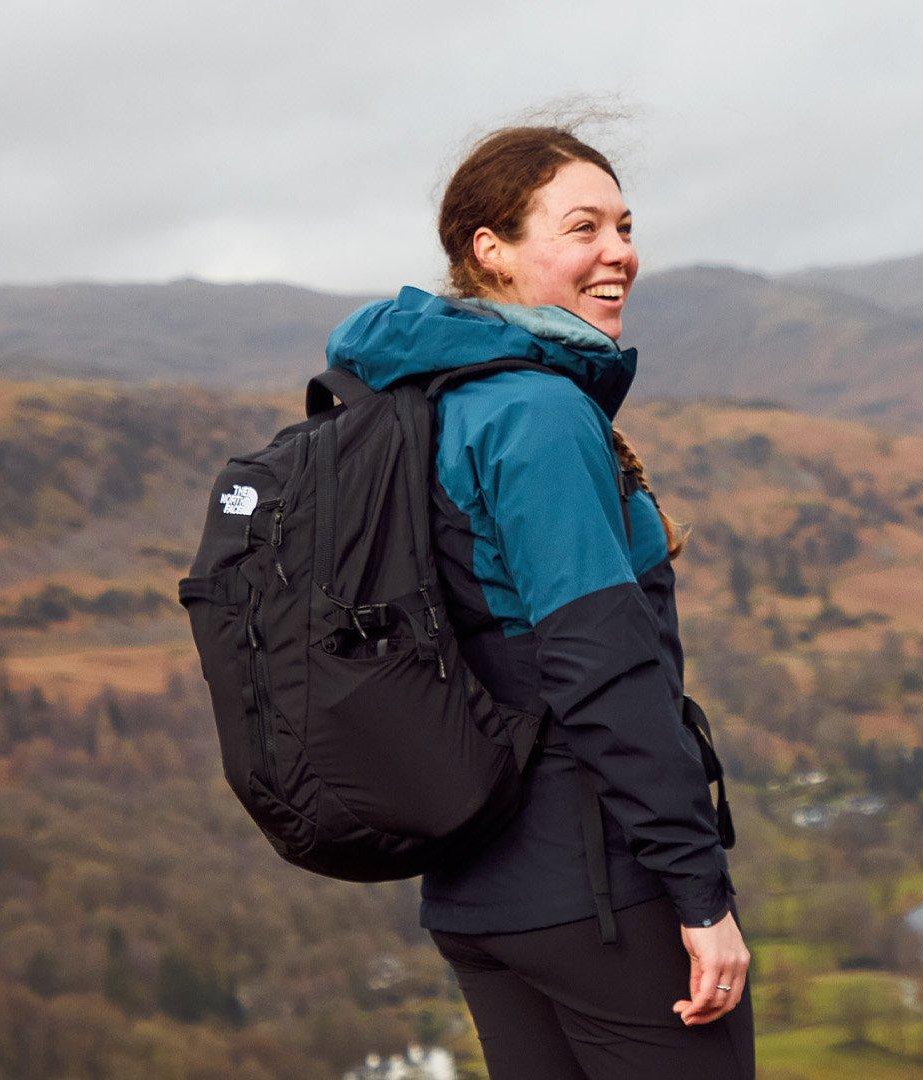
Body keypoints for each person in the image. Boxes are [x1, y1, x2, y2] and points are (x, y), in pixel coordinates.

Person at [322, 124, 753, 1078]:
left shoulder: (412, 400)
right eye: (582, 227)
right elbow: (602, 670)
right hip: (599, 892)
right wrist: (698, 894)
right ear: (493, 250)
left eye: (625, 227)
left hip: (478, 892)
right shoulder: (537, 413)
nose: (619, 252)